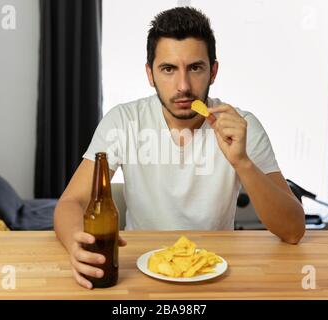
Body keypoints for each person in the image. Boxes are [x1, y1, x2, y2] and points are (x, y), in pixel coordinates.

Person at [54, 7, 305, 289]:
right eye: (168, 69)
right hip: (139, 270)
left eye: (195, 68)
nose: (183, 86)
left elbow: (293, 231)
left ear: (214, 71)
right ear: (150, 74)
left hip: (214, 271)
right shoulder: (123, 121)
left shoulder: (242, 126)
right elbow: (69, 203)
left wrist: (242, 163)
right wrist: (79, 244)